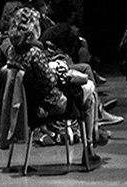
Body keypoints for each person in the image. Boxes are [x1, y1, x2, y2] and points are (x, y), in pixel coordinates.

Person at [7, 11, 105, 164]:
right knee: (90, 92)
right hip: (51, 104)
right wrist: (59, 71)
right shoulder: (35, 53)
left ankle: (94, 138)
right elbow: (51, 81)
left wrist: (50, 67)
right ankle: (90, 145)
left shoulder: (12, 52)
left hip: (28, 104)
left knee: (87, 88)